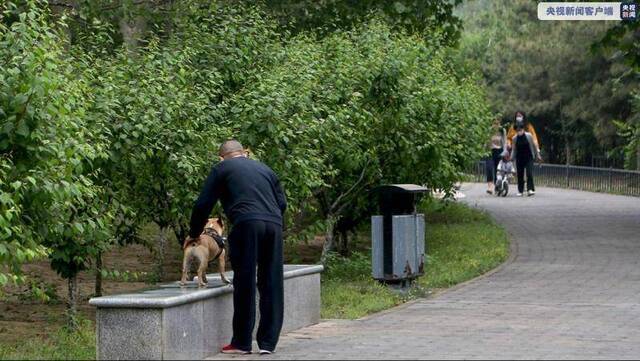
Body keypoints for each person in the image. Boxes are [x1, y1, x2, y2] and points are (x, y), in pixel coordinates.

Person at [186, 140, 287, 355]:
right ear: (244, 153)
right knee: (271, 280)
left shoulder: (221, 169)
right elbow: (282, 204)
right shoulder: (265, 169)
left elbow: (203, 204)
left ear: (221, 157)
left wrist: (194, 233)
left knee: (245, 280)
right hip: (274, 224)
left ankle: (241, 342)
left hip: (246, 223)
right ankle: (268, 343)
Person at [510, 123, 541, 196]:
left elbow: (534, 146)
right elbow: (514, 149)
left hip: (529, 157)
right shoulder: (514, 138)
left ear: (523, 129)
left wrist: (538, 155)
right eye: (517, 130)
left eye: (520, 130)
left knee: (529, 173)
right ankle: (520, 190)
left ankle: (530, 189)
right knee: (520, 175)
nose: (519, 132)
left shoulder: (528, 136)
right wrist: (511, 158)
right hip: (519, 158)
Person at [486, 119, 507, 194]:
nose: (496, 125)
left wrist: (505, 152)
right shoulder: (489, 130)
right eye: (494, 123)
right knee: (489, 167)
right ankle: (490, 186)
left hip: (499, 151)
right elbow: (485, 141)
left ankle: (497, 185)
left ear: (500, 124)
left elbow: (505, 142)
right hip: (490, 151)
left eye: (497, 123)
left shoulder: (502, 130)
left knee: (497, 169)